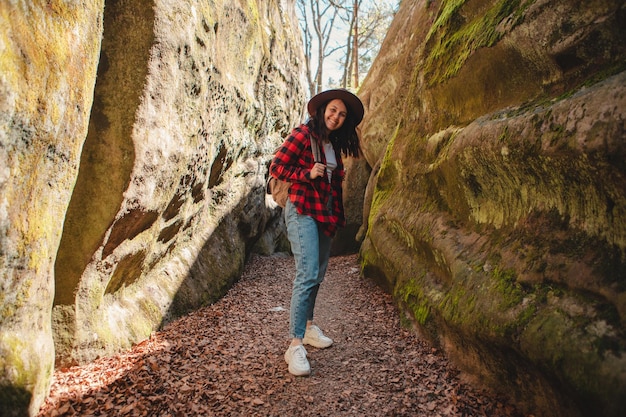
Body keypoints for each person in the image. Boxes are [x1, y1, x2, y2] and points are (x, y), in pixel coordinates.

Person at [269, 89, 364, 376]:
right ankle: (295, 345)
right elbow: (277, 166)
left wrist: (337, 216)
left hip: (325, 214)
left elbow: (334, 183)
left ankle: (309, 327)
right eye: (333, 110)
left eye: (342, 114)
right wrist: (307, 173)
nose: (336, 117)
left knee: (319, 273)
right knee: (308, 273)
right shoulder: (302, 134)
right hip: (302, 210)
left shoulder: (332, 143)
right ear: (322, 110)